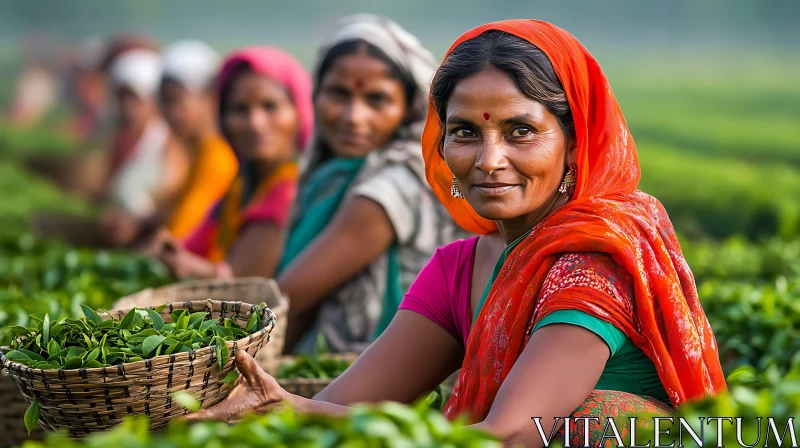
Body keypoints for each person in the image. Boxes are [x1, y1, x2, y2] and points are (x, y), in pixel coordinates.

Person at [185, 20, 727, 447]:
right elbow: (349, 409)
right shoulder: (457, 269)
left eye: (521, 131)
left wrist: (299, 411)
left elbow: (512, 436)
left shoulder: (591, 262)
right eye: (466, 132)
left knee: (597, 420)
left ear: (575, 144)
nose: (490, 161)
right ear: (441, 146)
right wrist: (268, 410)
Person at [275, 14, 467, 355]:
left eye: (376, 100)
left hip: (373, 376)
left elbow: (285, 300)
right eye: (338, 93)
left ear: (409, 107)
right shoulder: (330, 175)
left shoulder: (394, 183)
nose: (353, 117)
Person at [154, 46, 313, 279]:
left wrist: (185, 263)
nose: (255, 123)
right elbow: (191, 242)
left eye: (270, 106)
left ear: (299, 111)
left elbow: (244, 287)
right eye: (240, 109)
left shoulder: (288, 191)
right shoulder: (241, 187)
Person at [101, 46, 189, 243]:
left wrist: (137, 223)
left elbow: (173, 202)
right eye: (121, 98)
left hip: (156, 241)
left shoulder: (169, 141)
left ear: (153, 99)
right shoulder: (121, 139)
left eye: (135, 99)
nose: (127, 108)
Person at [158, 40, 240, 241]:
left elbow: (179, 237)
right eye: (165, 101)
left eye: (177, 100)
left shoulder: (217, 159)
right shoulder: (194, 153)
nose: (171, 112)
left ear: (210, 97)